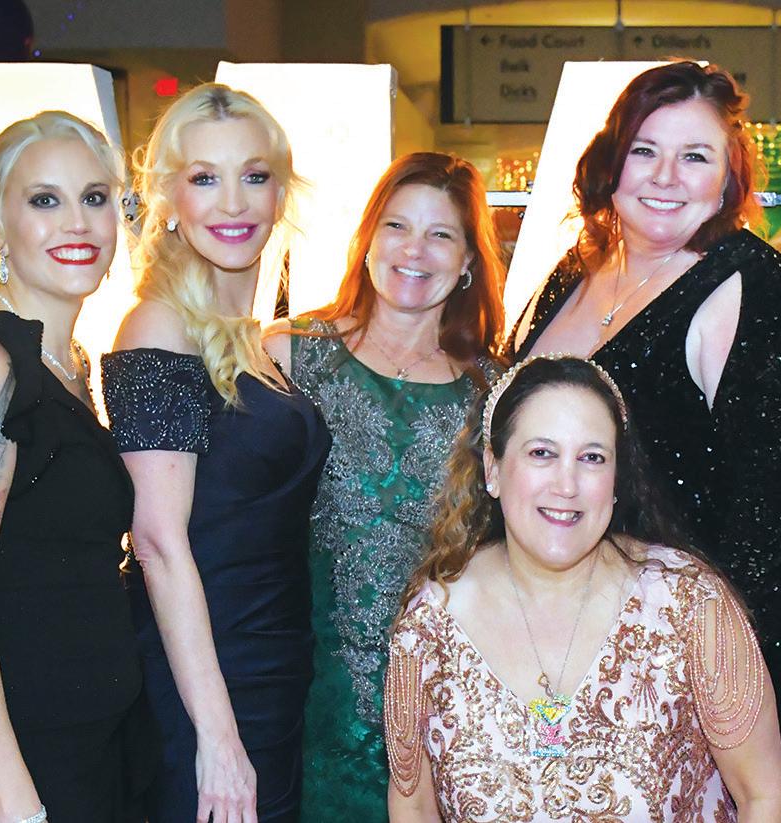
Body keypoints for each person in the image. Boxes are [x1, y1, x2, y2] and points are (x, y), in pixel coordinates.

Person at [511, 61, 781, 746]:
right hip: (548, 643)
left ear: (729, 176)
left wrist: (702, 678)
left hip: (680, 672)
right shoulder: (576, 271)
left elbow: (772, 524)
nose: (664, 176)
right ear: (612, 161)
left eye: (695, 157)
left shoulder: (751, 285)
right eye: (644, 150)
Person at [383, 355, 781, 820]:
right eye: (542, 453)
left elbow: (764, 795)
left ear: (616, 480)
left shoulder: (689, 604)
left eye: (592, 458)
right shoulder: (430, 624)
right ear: (492, 469)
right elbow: (413, 807)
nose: (567, 485)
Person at [0, 111, 153, 821]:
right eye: (45, 199)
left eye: (95, 197)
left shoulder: (62, 362)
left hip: (78, 748)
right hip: (1, 774)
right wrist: (20, 807)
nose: (77, 222)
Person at [101, 84, 331, 822]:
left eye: (253, 176)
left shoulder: (251, 338)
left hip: (271, 669)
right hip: (204, 685)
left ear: (280, 193)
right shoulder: (157, 327)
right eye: (205, 178)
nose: (233, 202)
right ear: (169, 197)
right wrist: (218, 736)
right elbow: (158, 542)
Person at [265, 151, 504, 820]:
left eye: (440, 234)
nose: (413, 250)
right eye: (396, 226)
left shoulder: (492, 392)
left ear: (467, 260)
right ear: (367, 238)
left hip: (439, 710)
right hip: (301, 694)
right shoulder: (288, 354)